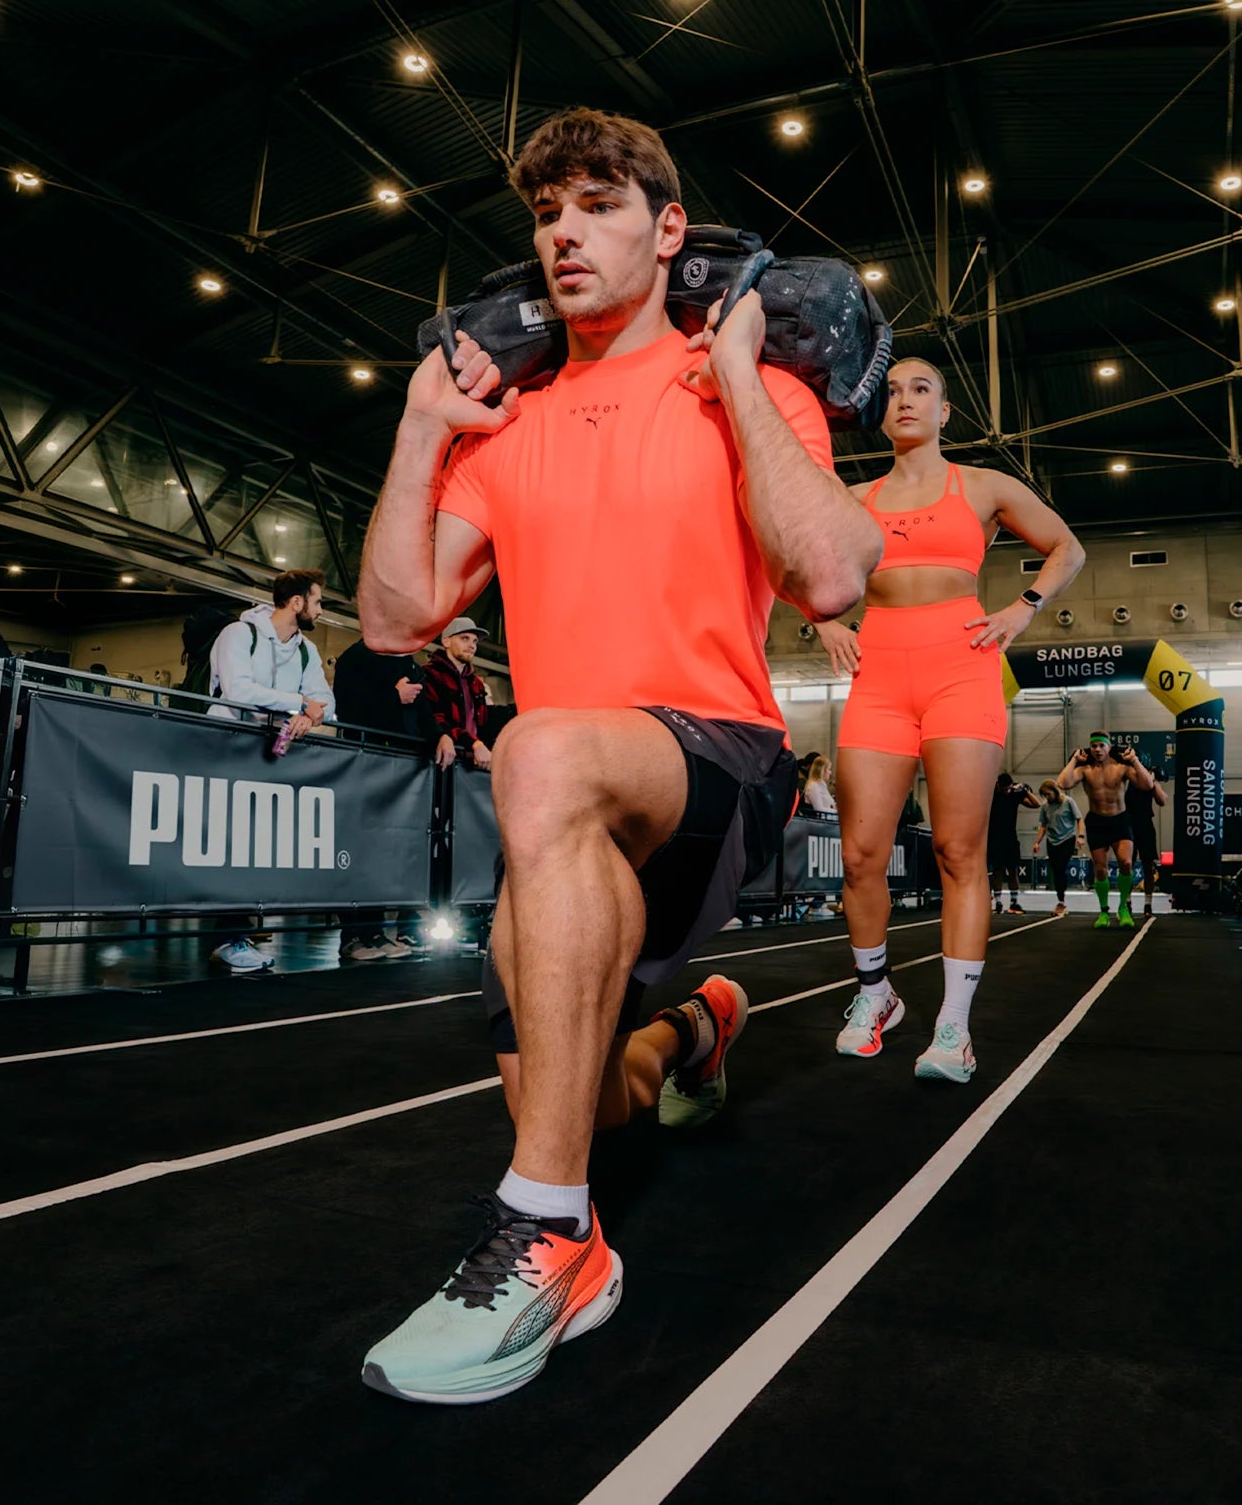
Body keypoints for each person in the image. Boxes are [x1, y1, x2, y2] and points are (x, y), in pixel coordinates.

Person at [354, 107, 881, 1403]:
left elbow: (829, 574)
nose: (565, 234)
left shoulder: (750, 390)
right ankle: (693, 1034)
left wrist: (742, 373)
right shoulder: (508, 425)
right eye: (547, 214)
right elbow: (394, 621)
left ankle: (555, 1238)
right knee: (583, 1100)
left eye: (598, 205)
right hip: (570, 796)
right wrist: (421, 430)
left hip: (718, 763)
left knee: (533, 749)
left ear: (669, 229)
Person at [817, 358, 1084, 1074]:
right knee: (862, 856)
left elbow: (1068, 547)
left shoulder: (984, 486)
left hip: (961, 669)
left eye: (921, 389)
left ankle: (953, 1028)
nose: (904, 400)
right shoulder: (851, 497)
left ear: (944, 412)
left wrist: (1022, 609)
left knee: (958, 852)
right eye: (891, 391)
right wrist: (822, 619)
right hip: (878, 675)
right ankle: (876, 996)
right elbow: (783, 556)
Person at [205, 569, 336, 971]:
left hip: (269, 756)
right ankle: (227, 936)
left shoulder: (306, 649)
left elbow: (327, 702)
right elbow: (238, 690)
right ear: (296, 603)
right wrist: (298, 703)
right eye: (317, 601)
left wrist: (308, 715)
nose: (320, 610)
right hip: (224, 748)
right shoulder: (238, 634)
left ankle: (236, 935)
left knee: (253, 846)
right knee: (224, 844)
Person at [331, 638, 434, 960]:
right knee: (360, 850)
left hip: (400, 768)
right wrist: (393, 696)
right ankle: (353, 936)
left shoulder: (407, 661)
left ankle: (374, 932)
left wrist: (440, 736)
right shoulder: (356, 657)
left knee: (385, 854)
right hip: (365, 764)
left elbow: (421, 712)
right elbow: (346, 707)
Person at [1054, 734, 1155, 928]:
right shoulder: (1085, 770)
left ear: (1109, 747)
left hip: (1120, 821)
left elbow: (1147, 784)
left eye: (1102, 746)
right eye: (1094, 746)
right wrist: (1074, 759)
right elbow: (1062, 783)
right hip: (1097, 822)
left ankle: (1123, 908)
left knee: (1126, 863)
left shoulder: (1122, 767)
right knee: (1101, 870)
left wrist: (1134, 760)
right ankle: (1104, 911)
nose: (1098, 750)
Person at [423, 616, 495, 771]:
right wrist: (474, 743)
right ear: (446, 642)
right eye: (464, 638)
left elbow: (484, 723)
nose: (471, 645)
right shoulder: (430, 674)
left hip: (472, 764)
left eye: (475, 641)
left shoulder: (476, 683)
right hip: (439, 763)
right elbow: (435, 718)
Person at [987, 772, 1040, 914]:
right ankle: (998, 902)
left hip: (1010, 838)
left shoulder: (1014, 795)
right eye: (1005, 788)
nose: (1007, 791)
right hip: (994, 838)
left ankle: (1014, 902)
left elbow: (1036, 804)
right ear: (998, 786)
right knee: (997, 871)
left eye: (1009, 788)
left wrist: (1025, 790)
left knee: (1013, 871)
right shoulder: (991, 794)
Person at [1032, 777, 1084, 918]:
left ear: (1055, 791)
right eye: (1045, 795)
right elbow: (1043, 826)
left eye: (1048, 794)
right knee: (1056, 871)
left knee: (1060, 868)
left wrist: (1080, 836)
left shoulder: (1068, 802)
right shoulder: (1045, 806)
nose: (1047, 797)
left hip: (1067, 839)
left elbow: (1079, 819)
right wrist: (1037, 842)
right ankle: (1060, 900)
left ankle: (1061, 902)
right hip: (1052, 840)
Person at [1124, 762, 1168, 917]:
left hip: (1145, 825)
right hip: (1128, 825)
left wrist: (1153, 781)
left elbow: (1162, 801)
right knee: (1126, 866)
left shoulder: (1150, 781)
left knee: (1148, 867)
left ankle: (1148, 905)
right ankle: (1127, 903)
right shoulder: (1127, 776)